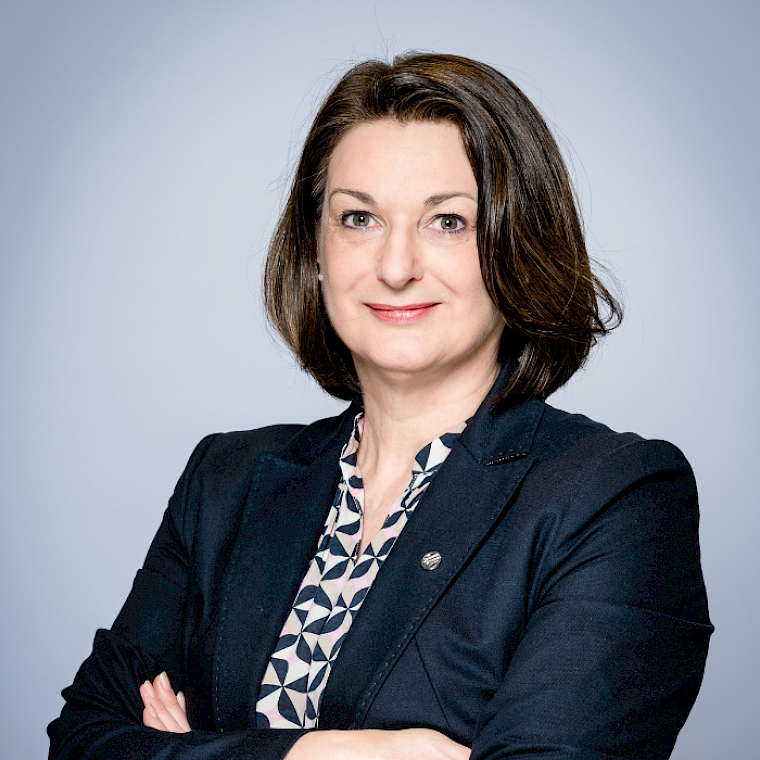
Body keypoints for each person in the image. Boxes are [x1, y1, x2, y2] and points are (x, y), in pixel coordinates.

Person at [48, 53, 712, 760]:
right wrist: (328, 754)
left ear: (517, 245)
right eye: (358, 218)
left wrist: (199, 749)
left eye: (448, 222)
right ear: (315, 248)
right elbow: (83, 739)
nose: (396, 268)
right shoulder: (226, 480)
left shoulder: (616, 497)